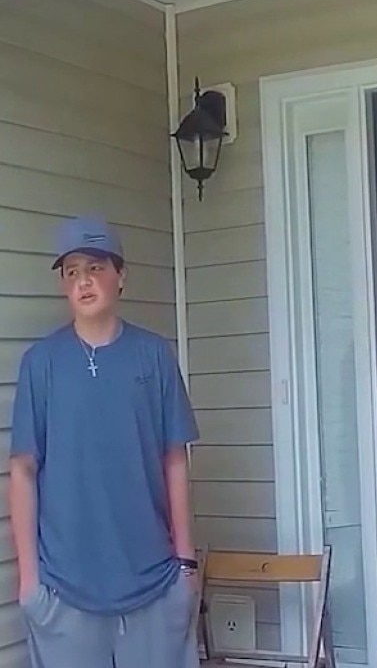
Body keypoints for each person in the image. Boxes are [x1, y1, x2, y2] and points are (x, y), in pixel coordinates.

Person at [8, 215, 201, 667]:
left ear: (120, 276)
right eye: (72, 271)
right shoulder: (41, 364)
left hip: (153, 583)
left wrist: (185, 564)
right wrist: (30, 582)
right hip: (64, 590)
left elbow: (175, 459)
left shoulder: (154, 355)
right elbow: (23, 471)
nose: (84, 281)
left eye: (95, 267)